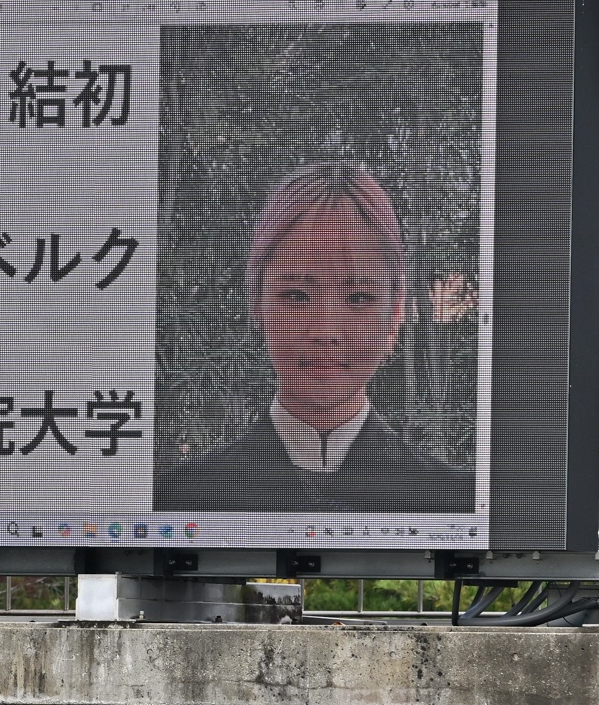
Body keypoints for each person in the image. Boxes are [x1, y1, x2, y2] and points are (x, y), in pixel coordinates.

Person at [154, 161, 473, 513]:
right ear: (257, 304)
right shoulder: (179, 498)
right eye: (297, 296)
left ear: (395, 316)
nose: (325, 331)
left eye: (358, 298)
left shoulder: (455, 500)